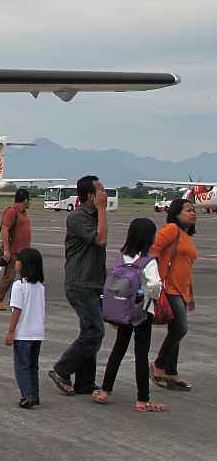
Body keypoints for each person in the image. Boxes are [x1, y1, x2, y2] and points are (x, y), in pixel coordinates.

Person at [95, 218, 167, 412]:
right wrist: (154, 294)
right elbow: (154, 285)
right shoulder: (148, 261)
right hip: (142, 312)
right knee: (141, 354)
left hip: (123, 309)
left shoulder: (122, 257)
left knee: (118, 349)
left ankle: (104, 390)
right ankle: (142, 400)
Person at [49, 175, 108, 398]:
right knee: (95, 331)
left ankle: (85, 382)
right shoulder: (77, 217)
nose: (104, 195)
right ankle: (62, 370)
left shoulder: (94, 216)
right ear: (91, 195)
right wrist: (102, 209)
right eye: (100, 191)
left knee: (89, 332)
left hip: (94, 283)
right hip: (80, 283)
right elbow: (100, 240)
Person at [150, 199, 198, 393]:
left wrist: (190, 294)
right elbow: (152, 251)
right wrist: (154, 278)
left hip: (182, 290)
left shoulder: (186, 236)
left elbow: (186, 268)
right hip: (169, 288)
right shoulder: (171, 230)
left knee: (175, 330)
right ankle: (158, 366)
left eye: (194, 210)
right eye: (188, 210)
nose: (193, 213)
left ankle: (171, 372)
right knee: (180, 328)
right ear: (176, 214)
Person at [6, 248, 46, 409]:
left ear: (24, 265)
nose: (16, 264)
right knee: (33, 366)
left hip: (23, 333)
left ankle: (27, 395)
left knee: (22, 365)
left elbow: (17, 310)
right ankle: (34, 395)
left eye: (18, 261)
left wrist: (11, 331)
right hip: (37, 333)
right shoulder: (40, 287)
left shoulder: (19, 286)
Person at [0, 189, 33, 311]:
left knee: (25, 276)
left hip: (24, 251)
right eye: (29, 200)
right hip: (14, 251)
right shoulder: (12, 211)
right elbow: (5, 230)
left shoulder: (23, 212)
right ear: (25, 200)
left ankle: (20, 300)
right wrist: (6, 250)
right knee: (9, 276)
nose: (29, 202)